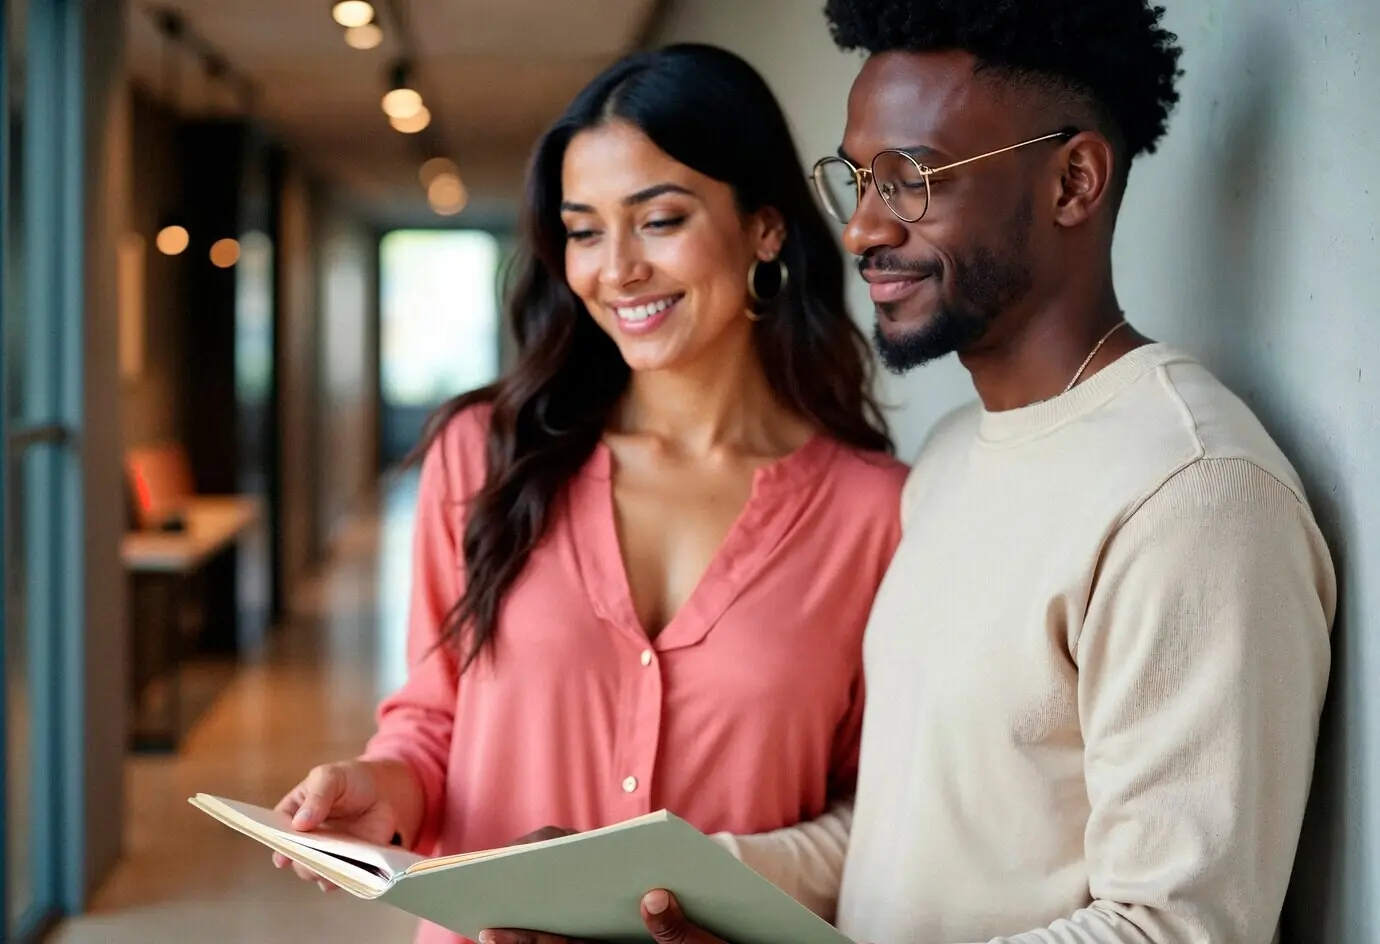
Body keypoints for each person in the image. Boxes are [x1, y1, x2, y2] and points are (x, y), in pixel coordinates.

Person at [481, 2, 1336, 944]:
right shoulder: (953, 458)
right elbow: (897, 836)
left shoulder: (1193, 493)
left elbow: (1173, 928)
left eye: (912, 180)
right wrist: (628, 888)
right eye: (857, 181)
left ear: (1073, 181)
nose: (861, 231)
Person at [273, 42, 908, 944]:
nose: (616, 269)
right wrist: (382, 789)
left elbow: (874, 812)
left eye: (660, 219)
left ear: (766, 228)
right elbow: (432, 719)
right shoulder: (484, 457)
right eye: (583, 230)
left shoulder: (876, 514)